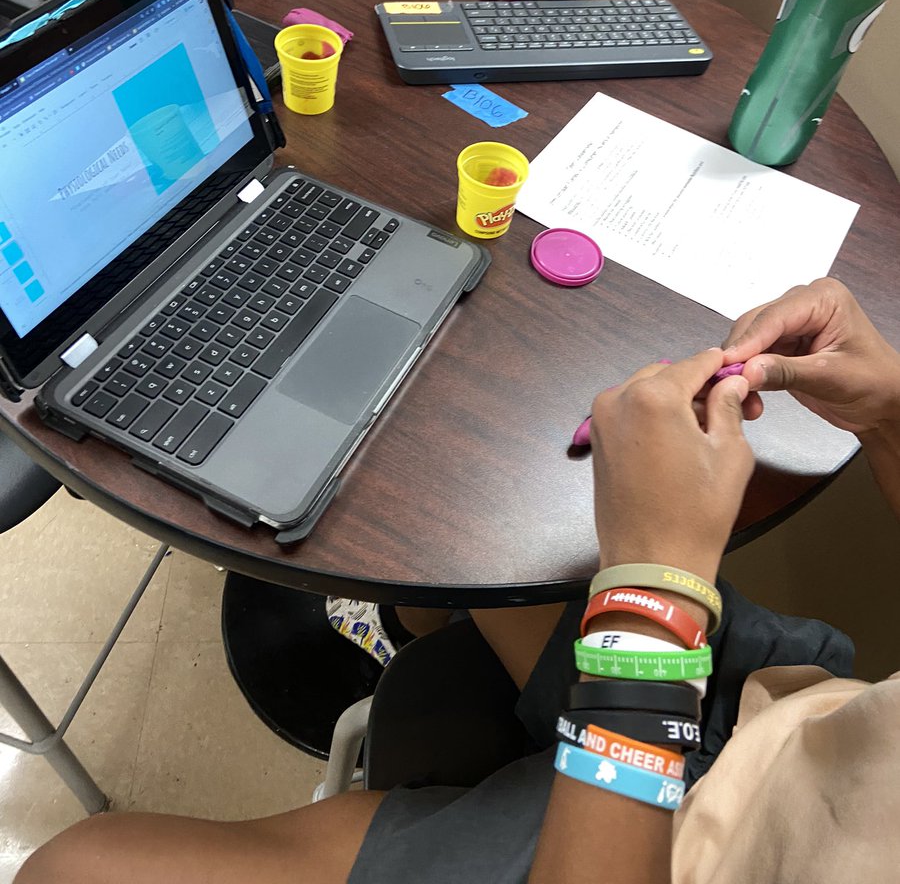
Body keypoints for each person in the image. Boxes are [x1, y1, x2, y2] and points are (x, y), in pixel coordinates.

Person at [17, 275, 900, 882]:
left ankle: (427, 649)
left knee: (72, 867)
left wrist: (655, 587)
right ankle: (410, 628)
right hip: (779, 712)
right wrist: (891, 413)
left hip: (673, 859)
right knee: (466, 511)